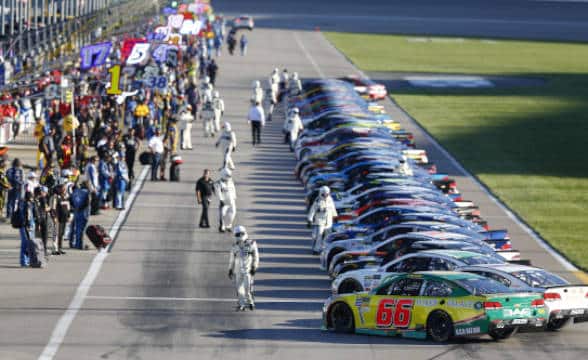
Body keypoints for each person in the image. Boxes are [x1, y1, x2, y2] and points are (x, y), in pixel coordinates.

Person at [227, 226, 259, 311]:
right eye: (238, 234)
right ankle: (241, 304)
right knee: (239, 288)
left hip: (248, 270)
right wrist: (230, 269)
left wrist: (254, 267)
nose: (240, 235)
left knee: (247, 288)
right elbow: (231, 259)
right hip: (238, 270)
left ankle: (250, 302)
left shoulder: (251, 244)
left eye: (241, 234)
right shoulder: (234, 246)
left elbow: (256, 257)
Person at [307, 185, 338, 254]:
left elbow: (333, 208)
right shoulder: (318, 201)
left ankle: (324, 249)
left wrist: (335, 216)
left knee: (328, 236)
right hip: (320, 221)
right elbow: (312, 210)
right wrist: (310, 220)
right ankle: (316, 249)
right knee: (319, 236)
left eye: (327, 194)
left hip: (329, 221)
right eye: (324, 194)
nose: (326, 195)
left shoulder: (330, 200)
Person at [215, 168, 237, 233]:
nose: (229, 177)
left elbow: (233, 189)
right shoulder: (218, 183)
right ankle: (222, 227)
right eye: (227, 175)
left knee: (233, 213)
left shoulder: (231, 182)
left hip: (232, 200)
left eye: (229, 175)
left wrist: (235, 197)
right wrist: (221, 200)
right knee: (222, 214)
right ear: (223, 174)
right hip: (224, 201)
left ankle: (229, 225)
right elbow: (218, 192)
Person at [70, 181, 90, 250]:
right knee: (80, 230)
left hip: (76, 212)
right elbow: (87, 203)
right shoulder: (86, 193)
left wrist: (76, 208)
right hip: (83, 213)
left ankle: (72, 243)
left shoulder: (75, 192)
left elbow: (71, 201)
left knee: (75, 228)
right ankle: (78, 245)